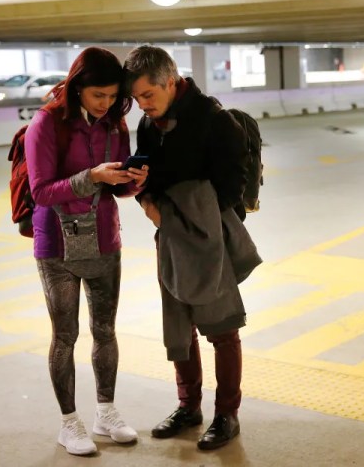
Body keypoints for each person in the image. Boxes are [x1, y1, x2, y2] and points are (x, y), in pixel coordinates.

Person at [124, 45, 259, 451]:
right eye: (136, 99)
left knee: (221, 327)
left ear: (171, 81)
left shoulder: (214, 121)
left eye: (148, 95)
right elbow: (141, 173)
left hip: (207, 238)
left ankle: (226, 414)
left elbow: (232, 190)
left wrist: (191, 219)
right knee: (178, 324)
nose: (142, 106)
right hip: (167, 236)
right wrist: (148, 203)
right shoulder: (149, 125)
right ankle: (189, 407)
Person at [25, 47, 149, 456]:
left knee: (105, 330)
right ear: (78, 86)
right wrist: (90, 176)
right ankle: (68, 422)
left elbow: (119, 190)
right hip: (56, 243)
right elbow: (41, 191)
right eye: (99, 95)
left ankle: (105, 411)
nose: (106, 104)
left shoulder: (115, 124)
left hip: (103, 237)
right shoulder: (46, 123)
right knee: (65, 335)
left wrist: (132, 180)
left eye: (113, 96)